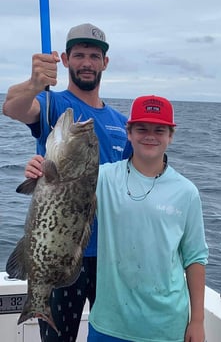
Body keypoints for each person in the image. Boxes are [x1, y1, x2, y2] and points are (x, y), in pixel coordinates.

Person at [25, 95, 209, 342]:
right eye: (141, 128)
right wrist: (41, 169)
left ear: (171, 136)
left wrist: (197, 320)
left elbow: (195, 257)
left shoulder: (187, 192)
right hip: (109, 324)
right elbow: (68, 191)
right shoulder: (104, 178)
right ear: (129, 133)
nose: (150, 136)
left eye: (159, 130)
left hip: (166, 326)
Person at [3, 23, 132, 342]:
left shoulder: (121, 123)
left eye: (94, 56)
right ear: (64, 59)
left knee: (111, 335)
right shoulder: (52, 105)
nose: (86, 62)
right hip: (58, 250)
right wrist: (34, 84)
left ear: (105, 62)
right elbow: (13, 107)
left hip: (111, 254)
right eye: (78, 55)